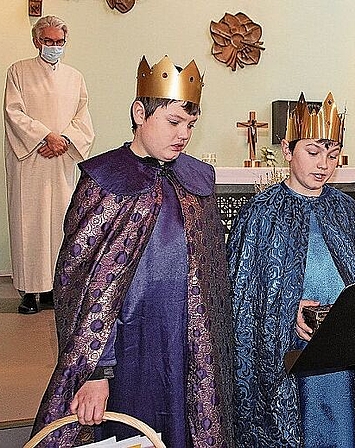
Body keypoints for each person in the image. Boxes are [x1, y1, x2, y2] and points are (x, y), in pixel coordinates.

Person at [32, 55, 234, 447]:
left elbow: (213, 274)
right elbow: (81, 283)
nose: (183, 135)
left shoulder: (196, 179)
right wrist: (95, 371)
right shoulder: (105, 180)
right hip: (128, 350)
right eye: (173, 122)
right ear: (139, 112)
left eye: (191, 125)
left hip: (189, 345)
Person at [228, 92, 355, 448]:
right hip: (290, 360)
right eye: (313, 153)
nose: (324, 165)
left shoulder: (346, 211)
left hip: (346, 356)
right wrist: (288, 310)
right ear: (287, 150)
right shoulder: (261, 213)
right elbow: (240, 301)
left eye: (332, 155)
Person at [4, 15, 94, 314]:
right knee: (28, 222)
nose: (54, 46)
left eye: (59, 42)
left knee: (60, 223)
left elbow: (83, 118)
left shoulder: (75, 76)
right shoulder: (18, 71)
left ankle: (55, 288)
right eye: (49, 41)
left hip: (60, 160)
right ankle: (29, 291)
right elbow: (13, 112)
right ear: (36, 41)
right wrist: (45, 136)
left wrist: (63, 140)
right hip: (30, 160)